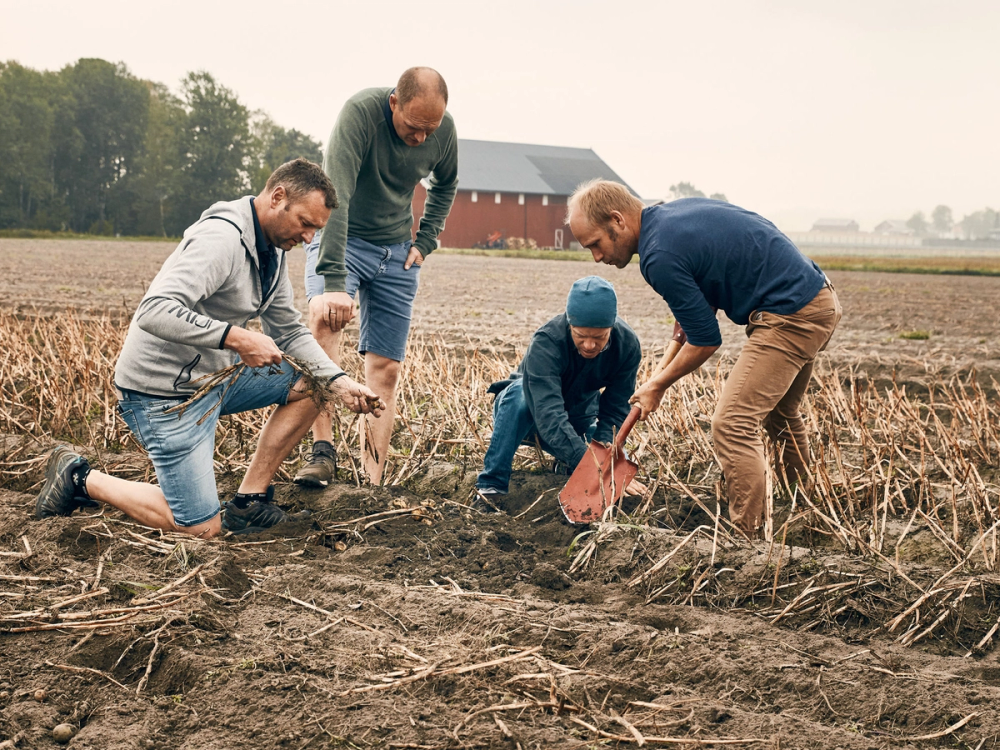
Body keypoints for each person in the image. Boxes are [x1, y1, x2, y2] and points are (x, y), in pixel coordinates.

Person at [34, 159, 384, 539]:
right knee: (200, 528)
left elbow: (287, 329)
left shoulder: (273, 248)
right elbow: (154, 310)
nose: (310, 239)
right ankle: (78, 477)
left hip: (212, 379)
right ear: (277, 197)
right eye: (305, 223)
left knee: (314, 383)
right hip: (164, 394)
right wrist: (235, 337)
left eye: (317, 229)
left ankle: (249, 502)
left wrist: (338, 380)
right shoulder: (221, 240)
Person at [567, 180, 842, 538]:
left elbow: (706, 339)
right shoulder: (668, 219)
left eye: (596, 245)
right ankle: (798, 503)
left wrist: (658, 384)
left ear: (618, 221)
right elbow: (701, 297)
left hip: (791, 315)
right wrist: (660, 374)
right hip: (818, 298)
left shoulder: (656, 255)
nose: (597, 258)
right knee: (782, 413)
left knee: (732, 424)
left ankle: (746, 540)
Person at [295, 66, 458, 488]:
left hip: (397, 252)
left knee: (385, 369)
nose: (422, 138)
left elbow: (446, 185)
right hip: (344, 238)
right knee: (324, 324)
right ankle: (322, 452)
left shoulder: (442, 131)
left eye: (431, 128)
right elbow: (338, 193)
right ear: (394, 104)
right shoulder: (360, 114)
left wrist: (426, 239)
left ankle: (372, 481)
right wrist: (332, 281)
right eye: (413, 126)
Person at [476, 276, 643, 499]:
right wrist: (594, 468)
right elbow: (548, 414)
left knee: (606, 448)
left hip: (578, 417)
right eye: (581, 336)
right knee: (519, 395)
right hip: (528, 418)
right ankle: (491, 486)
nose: (590, 345)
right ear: (569, 324)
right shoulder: (547, 342)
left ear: (611, 328)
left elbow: (614, 410)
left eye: (600, 337)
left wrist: (605, 461)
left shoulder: (627, 346)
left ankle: (566, 469)